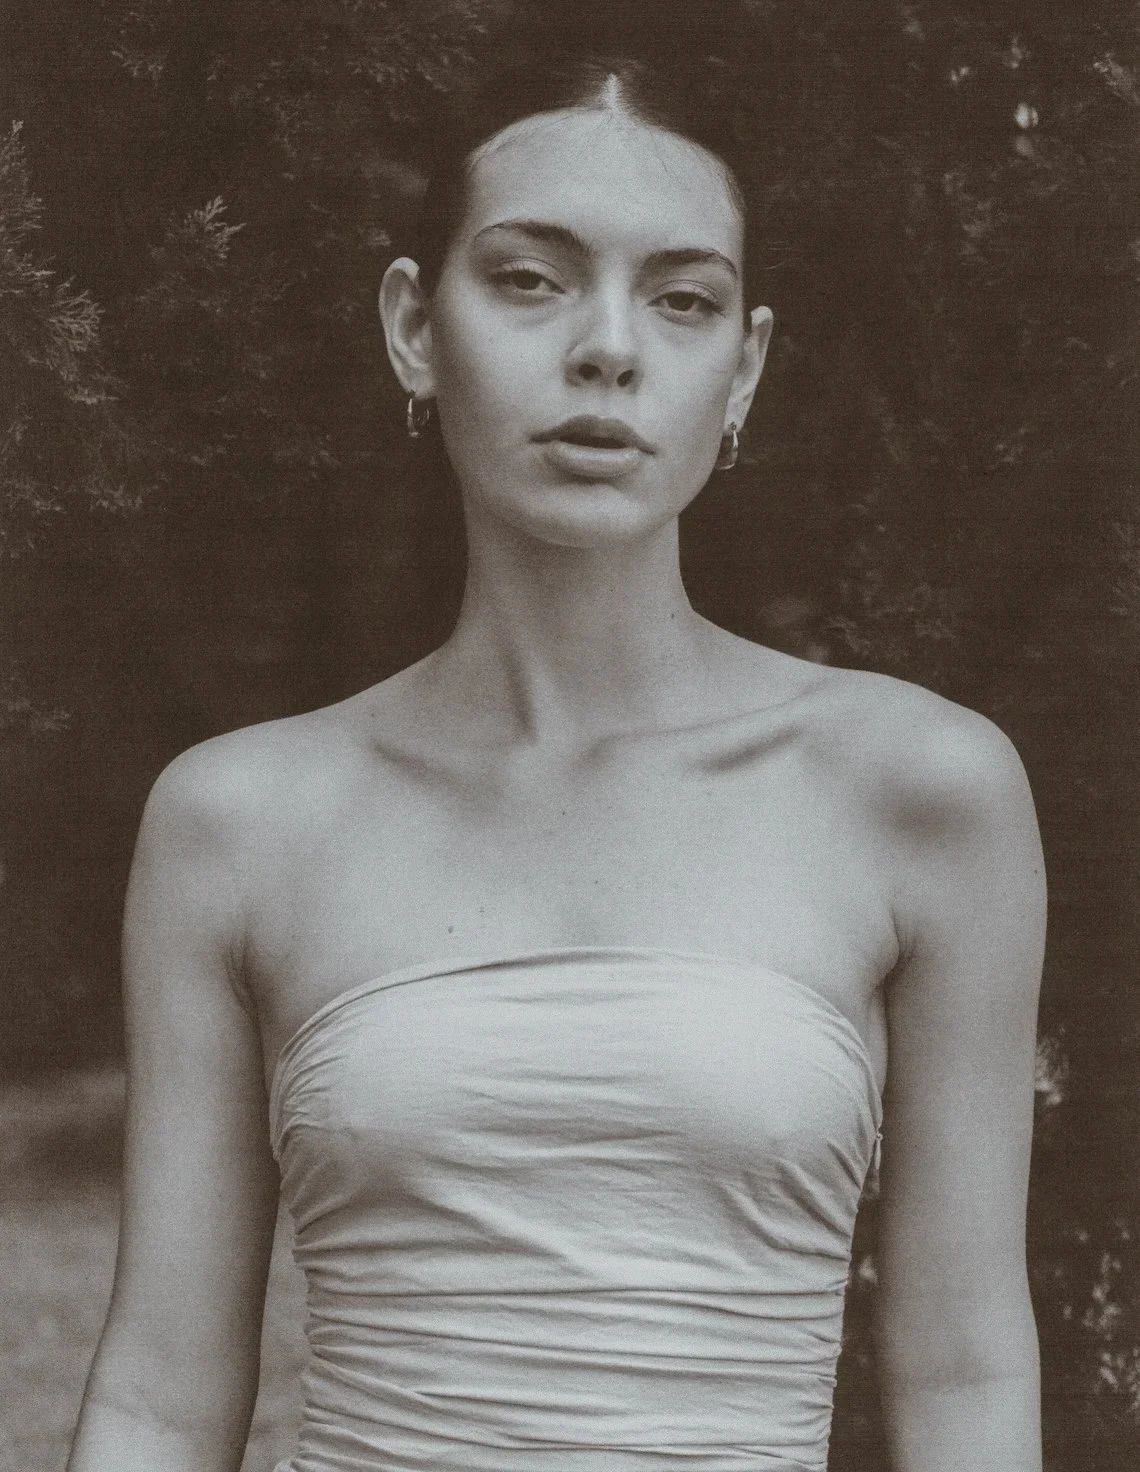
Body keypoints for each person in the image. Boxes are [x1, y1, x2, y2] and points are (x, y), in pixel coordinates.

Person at [68, 50, 1045, 1472]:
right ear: (416, 325)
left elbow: (963, 1377)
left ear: (745, 366)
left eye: (683, 298)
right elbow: (158, 1396)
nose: (607, 348)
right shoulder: (239, 819)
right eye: (530, 278)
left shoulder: (923, 790)